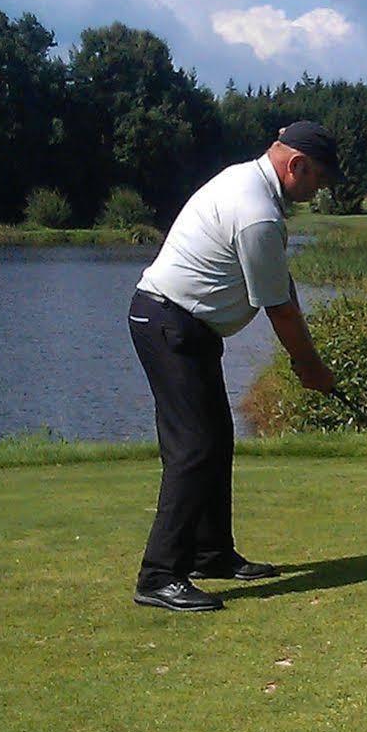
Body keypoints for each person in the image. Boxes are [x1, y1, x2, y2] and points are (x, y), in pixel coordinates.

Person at [126, 121, 340, 612]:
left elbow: (281, 288)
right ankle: (159, 575)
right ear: (297, 166)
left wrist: (311, 364)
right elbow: (280, 310)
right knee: (193, 448)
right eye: (318, 181)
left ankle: (211, 553)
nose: (318, 192)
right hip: (168, 322)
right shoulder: (257, 211)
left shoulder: (250, 183)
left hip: (183, 325)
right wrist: (310, 369)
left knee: (215, 439)